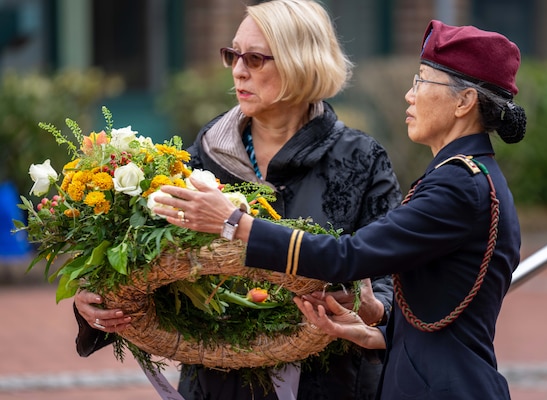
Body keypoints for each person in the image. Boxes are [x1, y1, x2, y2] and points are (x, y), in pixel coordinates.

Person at [154, 19, 527, 400]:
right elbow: (441, 314)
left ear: (464, 102)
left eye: (422, 82)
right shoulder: (464, 177)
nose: (409, 95)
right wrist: (377, 333)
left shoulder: (458, 185)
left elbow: (348, 256)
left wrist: (235, 222)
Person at [73, 0, 403, 399]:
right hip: (217, 382)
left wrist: (372, 308)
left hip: (328, 383)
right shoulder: (202, 159)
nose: (238, 70)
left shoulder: (360, 160)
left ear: (301, 64)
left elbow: (393, 280)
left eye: (255, 59)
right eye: (233, 54)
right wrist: (94, 301)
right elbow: (146, 262)